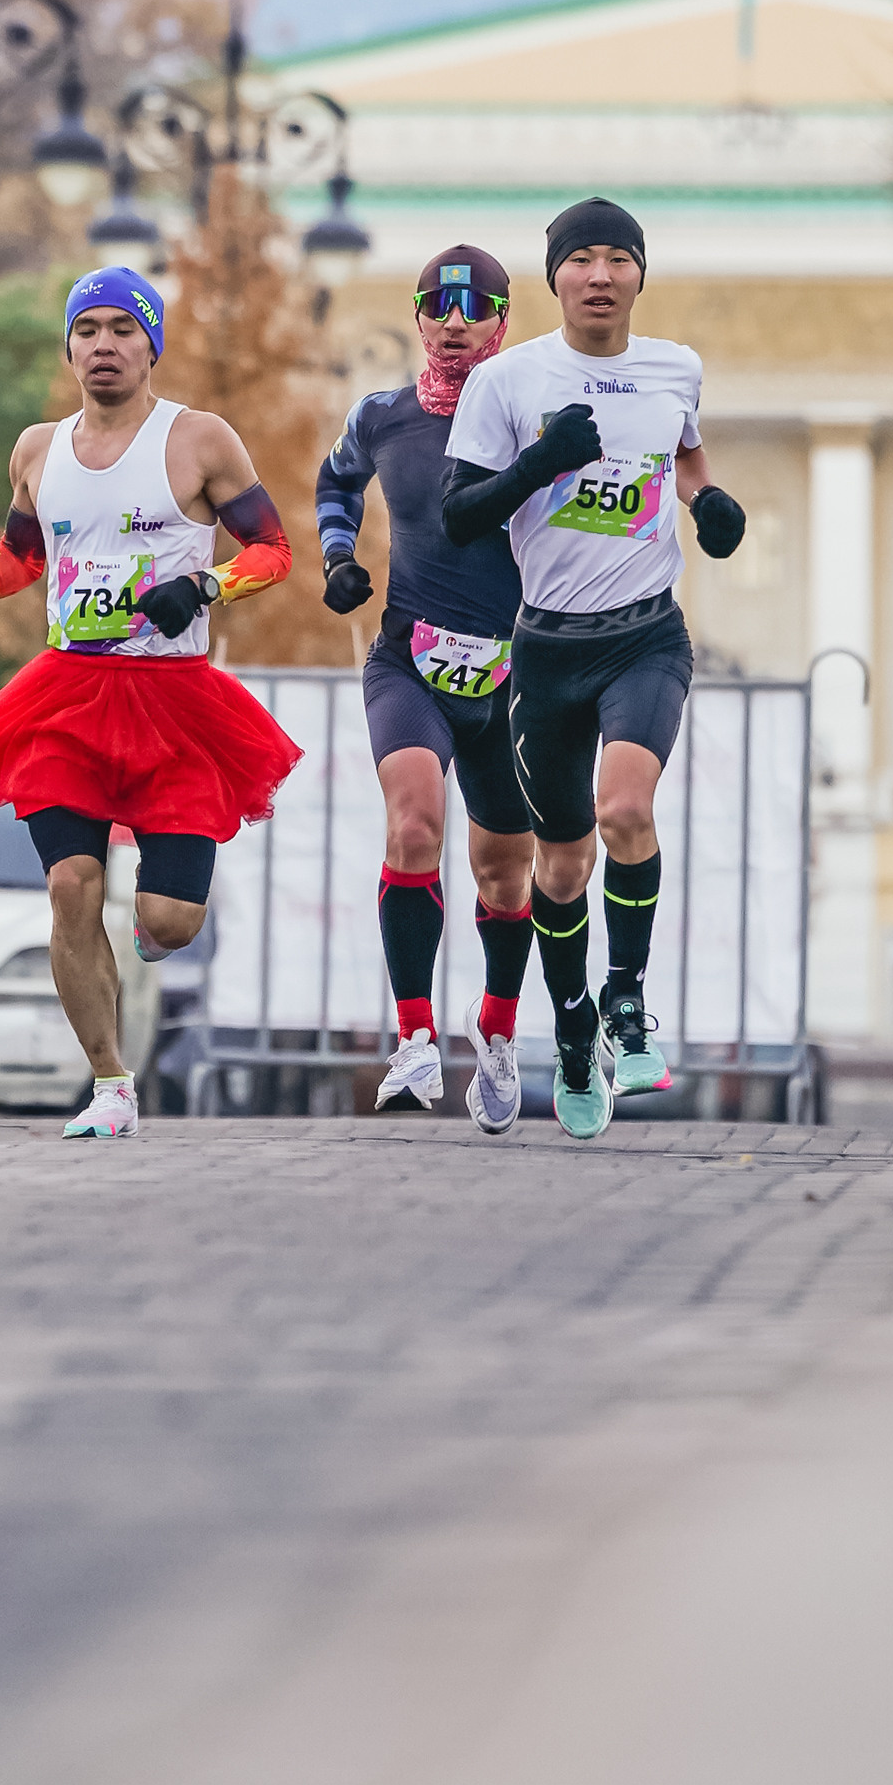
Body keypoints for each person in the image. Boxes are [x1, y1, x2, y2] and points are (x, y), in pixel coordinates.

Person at [0, 266, 301, 1139]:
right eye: (87, 330)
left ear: (151, 346)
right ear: (68, 348)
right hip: (66, 697)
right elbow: (20, 562)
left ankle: (153, 940)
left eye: (123, 329)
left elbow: (272, 550)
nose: (103, 345)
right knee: (70, 885)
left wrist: (202, 586)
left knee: (169, 921)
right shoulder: (36, 449)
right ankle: (110, 1082)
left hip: (174, 701)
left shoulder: (197, 439)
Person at [444, 196, 745, 1140]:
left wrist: (706, 499)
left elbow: (683, 450)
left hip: (644, 635)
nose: (600, 275)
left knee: (624, 810)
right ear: (555, 278)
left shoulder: (674, 367)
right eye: (582, 259)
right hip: (546, 649)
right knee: (564, 865)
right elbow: (458, 515)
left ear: (640, 275)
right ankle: (573, 1033)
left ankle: (625, 1001)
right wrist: (540, 463)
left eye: (619, 258)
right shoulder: (507, 380)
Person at [314, 244, 536, 1129]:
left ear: (501, 324)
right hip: (408, 659)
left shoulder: (532, 420)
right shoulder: (381, 415)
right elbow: (336, 480)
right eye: (437, 308)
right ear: (415, 318)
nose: (453, 323)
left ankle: (498, 1032)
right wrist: (338, 558)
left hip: (513, 677)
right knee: (412, 823)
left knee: (503, 872)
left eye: (473, 309)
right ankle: (413, 1035)